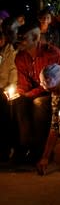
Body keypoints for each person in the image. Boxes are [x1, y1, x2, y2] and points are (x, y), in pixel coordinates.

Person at [13, 23, 60, 163]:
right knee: (17, 102)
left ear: (36, 37)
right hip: (34, 92)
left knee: (39, 103)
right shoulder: (20, 57)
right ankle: (23, 146)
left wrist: (28, 95)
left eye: (24, 38)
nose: (19, 41)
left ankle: (41, 149)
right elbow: (23, 84)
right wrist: (20, 94)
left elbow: (55, 83)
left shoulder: (51, 53)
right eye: (19, 37)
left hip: (54, 91)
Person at [0, 28, 17, 161]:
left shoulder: (11, 52)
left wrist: (9, 88)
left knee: (5, 118)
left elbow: (13, 72)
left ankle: (5, 149)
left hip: (5, 89)